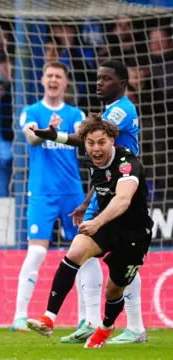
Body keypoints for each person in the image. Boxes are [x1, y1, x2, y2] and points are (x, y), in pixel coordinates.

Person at [33, 60, 146, 344]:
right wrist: (87, 202)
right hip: (105, 188)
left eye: (106, 79)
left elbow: (88, 137)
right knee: (82, 253)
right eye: (98, 78)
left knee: (122, 264)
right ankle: (91, 320)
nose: (99, 83)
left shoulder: (120, 110)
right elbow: (96, 160)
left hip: (126, 189)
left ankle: (134, 326)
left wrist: (56, 135)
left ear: (121, 83)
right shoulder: (109, 111)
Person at [12, 62, 99, 337]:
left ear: (65, 83)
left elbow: (87, 144)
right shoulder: (31, 112)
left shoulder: (76, 114)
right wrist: (47, 131)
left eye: (58, 76)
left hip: (72, 192)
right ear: (42, 80)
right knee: (37, 251)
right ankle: (19, 316)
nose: (53, 80)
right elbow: (31, 138)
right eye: (49, 75)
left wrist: (61, 132)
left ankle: (86, 320)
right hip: (42, 192)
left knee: (84, 255)